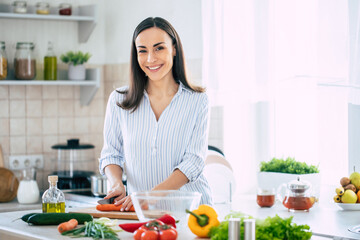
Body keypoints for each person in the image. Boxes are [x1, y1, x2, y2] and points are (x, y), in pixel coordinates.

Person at [99, 17, 212, 211]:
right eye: (142, 51)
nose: (150, 58)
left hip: (192, 213)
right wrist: (117, 184)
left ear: (174, 49)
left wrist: (150, 196)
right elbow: (111, 154)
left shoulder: (197, 100)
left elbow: (194, 162)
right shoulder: (118, 101)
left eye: (159, 48)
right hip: (143, 215)